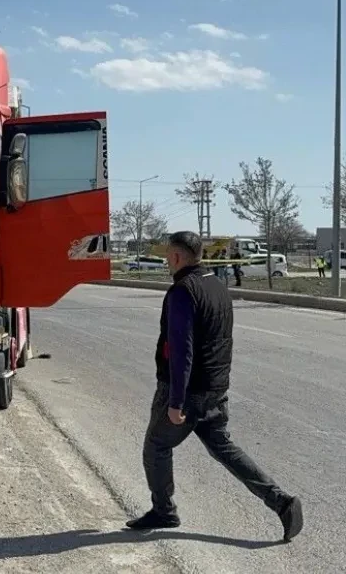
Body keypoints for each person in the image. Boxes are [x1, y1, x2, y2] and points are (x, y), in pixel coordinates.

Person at [126, 231, 303, 542]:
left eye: (169, 255)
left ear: (178, 257)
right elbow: (222, 340)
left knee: (156, 446)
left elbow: (182, 349)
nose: (167, 260)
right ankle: (283, 503)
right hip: (214, 389)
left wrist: (176, 401)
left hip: (187, 391)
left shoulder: (182, 291)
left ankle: (164, 511)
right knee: (225, 450)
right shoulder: (218, 286)